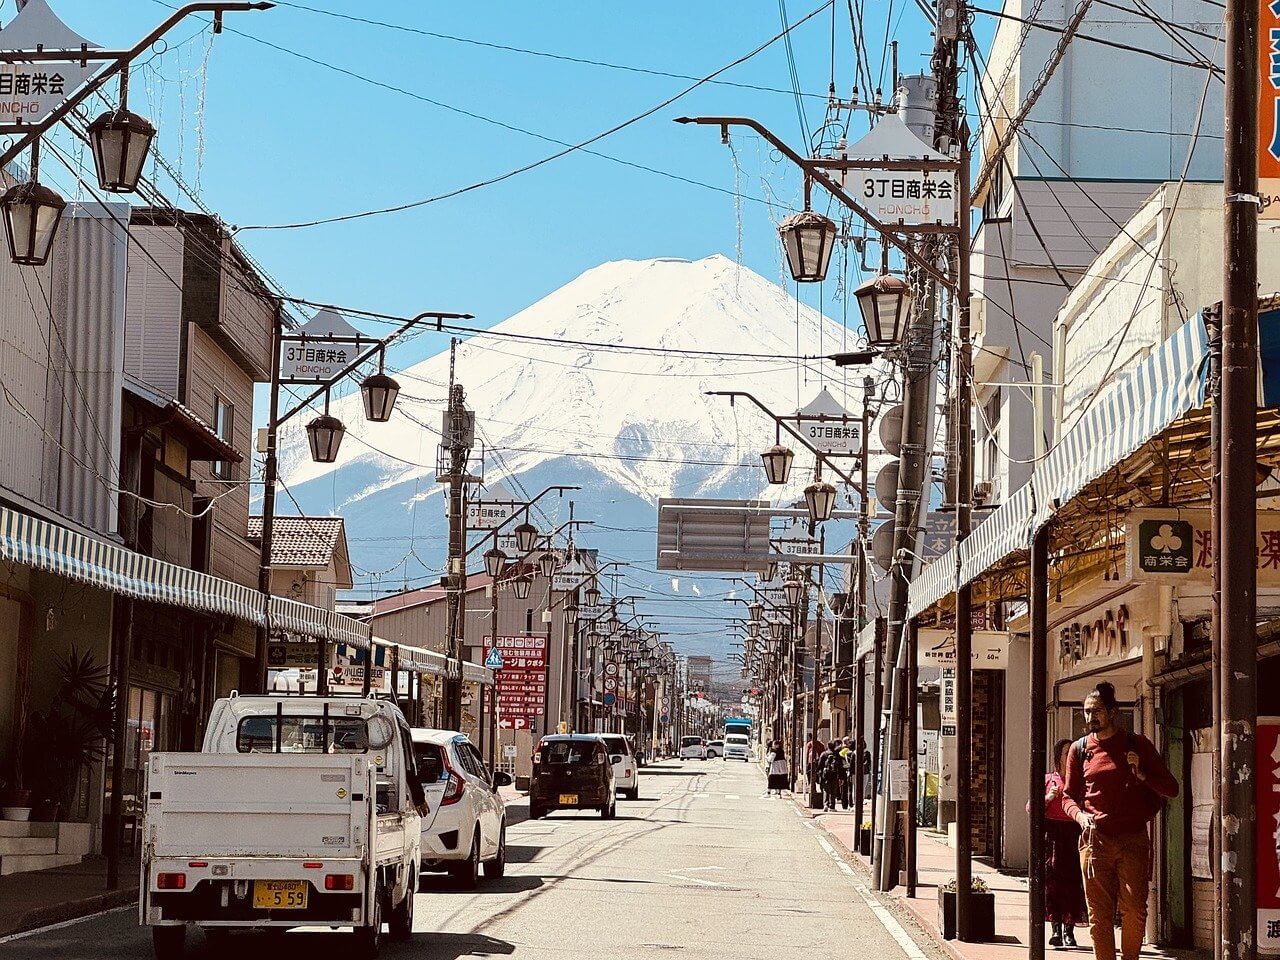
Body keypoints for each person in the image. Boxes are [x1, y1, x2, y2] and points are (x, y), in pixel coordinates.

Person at [1061, 682, 1178, 960]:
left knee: (1135, 909)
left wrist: (1142, 776)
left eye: (1097, 711)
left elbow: (1171, 788)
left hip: (1132, 839)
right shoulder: (1079, 750)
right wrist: (1080, 816)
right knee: (1099, 916)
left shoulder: (1136, 744)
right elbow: (1067, 797)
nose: (1090, 717)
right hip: (1094, 840)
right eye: (1086, 711)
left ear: (1113, 712)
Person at [1036, 738, 1087, 948]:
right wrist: (1048, 797)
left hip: (1073, 833)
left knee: (1073, 884)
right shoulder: (1049, 779)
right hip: (1053, 836)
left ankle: (1069, 930)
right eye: (1066, 753)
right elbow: (1031, 807)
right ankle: (1055, 929)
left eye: (1073, 752)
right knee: (1052, 885)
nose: (1070, 756)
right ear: (1058, 757)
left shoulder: (1080, 781)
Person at [818, 739, 844, 811]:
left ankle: (825, 804)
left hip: (825, 775)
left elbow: (820, 765)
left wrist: (818, 773)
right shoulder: (836, 754)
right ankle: (832, 806)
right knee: (833, 791)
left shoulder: (824, 754)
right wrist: (841, 777)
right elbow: (840, 766)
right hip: (834, 774)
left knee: (826, 790)